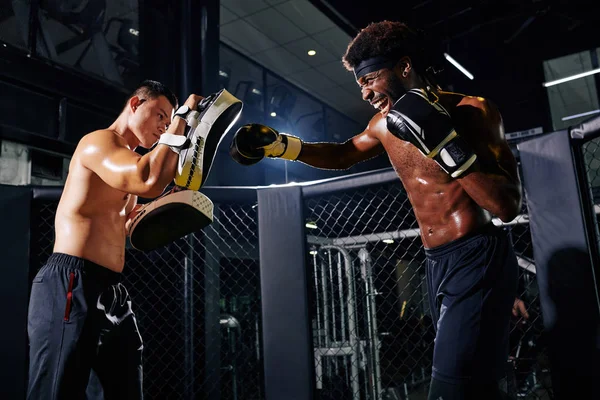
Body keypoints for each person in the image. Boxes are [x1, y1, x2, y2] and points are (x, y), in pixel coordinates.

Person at [230, 21, 524, 399]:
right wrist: (282, 146)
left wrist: (446, 145)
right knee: (478, 383)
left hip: (478, 256)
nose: (366, 93)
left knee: (450, 387)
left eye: (370, 79)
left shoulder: (473, 112)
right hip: (436, 263)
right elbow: (342, 153)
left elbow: (506, 205)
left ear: (404, 67)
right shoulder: (384, 126)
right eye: (361, 85)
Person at [27, 80, 205, 399]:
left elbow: (128, 225)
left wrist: (164, 207)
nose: (164, 125)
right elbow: (146, 179)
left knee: (124, 388)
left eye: (168, 119)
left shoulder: (126, 161)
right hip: (72, 282)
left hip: (111, 291)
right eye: (160, 115)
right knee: (56, 391)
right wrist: (182, 118)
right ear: (136, 105)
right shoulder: (98, 143)